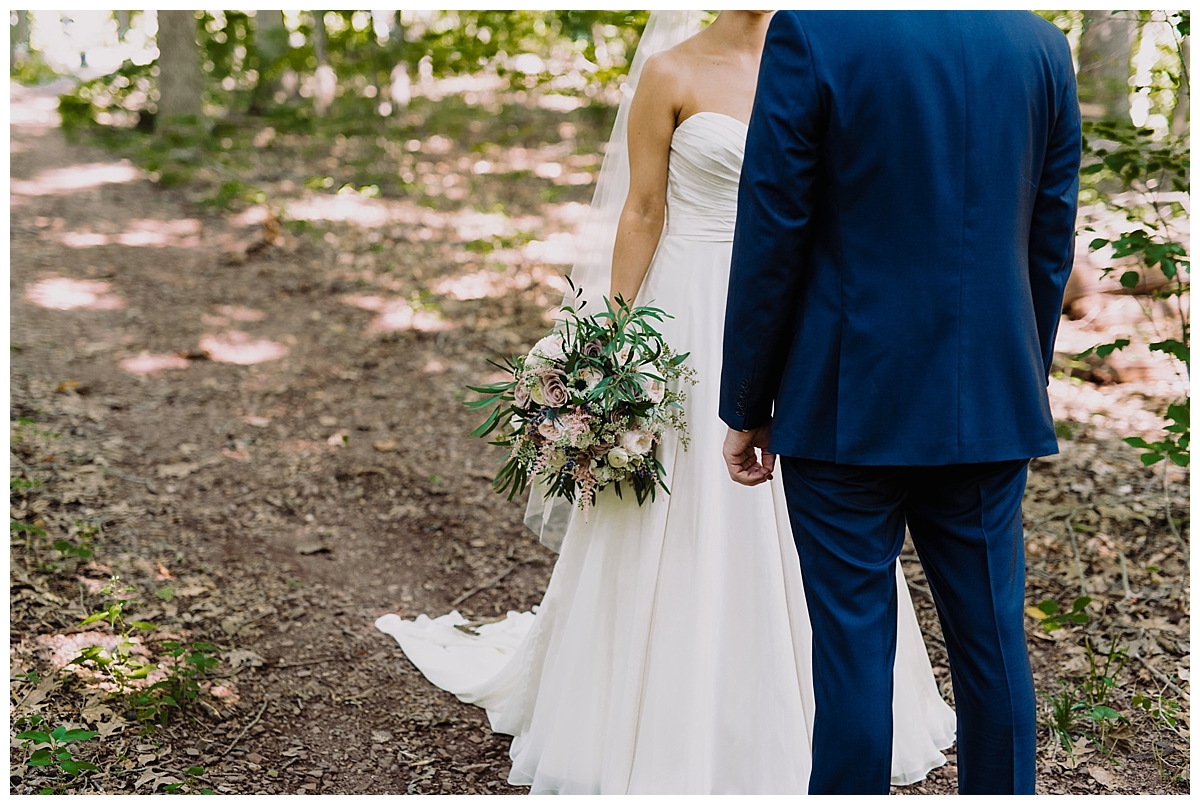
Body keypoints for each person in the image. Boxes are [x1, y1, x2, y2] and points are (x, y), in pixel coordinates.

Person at [377, 11, 955, 793]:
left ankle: (827, 719)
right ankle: (656, 716)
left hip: (802, 311)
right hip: (690, 310)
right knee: (683, 508)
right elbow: (643, 209)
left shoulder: (833, 60)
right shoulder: (672, 71)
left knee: (820, 507)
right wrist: (608, 341)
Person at [720, 11, 1081, 795]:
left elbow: (774, 224)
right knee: (992, 644)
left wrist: (747, 399)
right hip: (987, 400)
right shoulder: (1038, 44)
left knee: (851, 650)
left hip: (846, 403)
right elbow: (1051, 237)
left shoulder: (814, 34)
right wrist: (1020, 372)